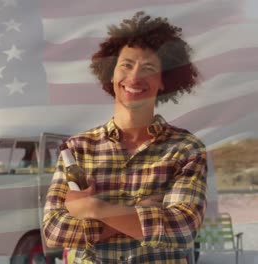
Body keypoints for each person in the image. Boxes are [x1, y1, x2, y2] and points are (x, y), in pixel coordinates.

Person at [43, 12, 207, 264]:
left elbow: (182, 229)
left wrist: (94, 209)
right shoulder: (77, 149)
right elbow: (55, 230)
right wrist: (142, 211)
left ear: (164, 81)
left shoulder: (186, 150)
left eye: (149, 68)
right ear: (111, 72)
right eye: (126, 65)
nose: (134, 77)